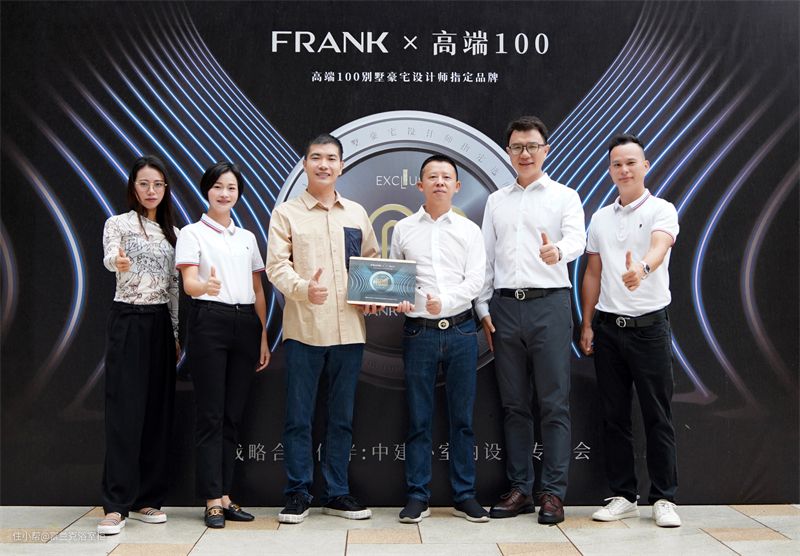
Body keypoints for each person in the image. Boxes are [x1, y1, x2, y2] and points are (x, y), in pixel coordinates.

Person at [476, 116, 585, 524]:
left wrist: (559, 251)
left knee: (553, 403)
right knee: (513, 404)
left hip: (550, 305)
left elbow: (578, 238)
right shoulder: (496, 201)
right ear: (508, 152)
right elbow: (486, 258)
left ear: (546, 150)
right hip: (504, 308)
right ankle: (521, 489)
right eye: (518, 147)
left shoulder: (565, 196)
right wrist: (483, 309)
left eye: (532, 146)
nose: (525, 153)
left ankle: (552, 493)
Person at [266, 134, 379, 524]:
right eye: (316, 157)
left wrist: (372, 294)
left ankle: (337, 493)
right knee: (299, 417)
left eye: (331, 158)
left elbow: (372, 261)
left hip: (350, 330)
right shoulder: (287, 214)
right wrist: (303, 289)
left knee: (341, 418)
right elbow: (276, 266)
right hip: (305, 329)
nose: (324, 165)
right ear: (305, 164)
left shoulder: (356, 213)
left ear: (342, 166)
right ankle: (298, 492)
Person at [580, 133, 681, 528]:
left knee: (658, 415)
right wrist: (587, 323)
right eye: (617, 164)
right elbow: (592, 273)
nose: (624, 170)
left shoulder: (662, 209)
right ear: (610, 171)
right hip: (608, 330)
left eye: (630, 162)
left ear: (645, 166)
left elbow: (660, 245)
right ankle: (623, 495)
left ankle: (664, 497)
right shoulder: (600, 218)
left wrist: (642, 268)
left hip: (650, 328)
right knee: (613, 416)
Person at [390, 154, 488, 523]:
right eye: (432, 177)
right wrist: (401, 299)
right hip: (419, 332)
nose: (440, 182)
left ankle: (465, 495)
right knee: (418, 418)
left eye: (447, 177)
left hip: (462, 330)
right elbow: (396, 278)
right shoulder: (403, 229)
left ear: (457, 186)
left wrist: (444, 302)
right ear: (420, 185)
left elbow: (476, 281)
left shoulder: (469, 230)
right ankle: (418, 495)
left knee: (462, 419)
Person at [176, 161, 270, 528]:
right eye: (218, 186)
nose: (224, 193)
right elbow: (189, 284)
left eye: (231, 188)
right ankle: (212, 499)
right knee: (211, 415)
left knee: (232, 415)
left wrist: (262, 334)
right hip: (209, 321)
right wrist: (205, 286)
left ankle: (227, 495)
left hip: (246, 324)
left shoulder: (247, 237)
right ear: (207, 190)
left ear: (238, 193)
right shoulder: (192, 233)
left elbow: (258, 289)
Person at [98, 155, 180, 535]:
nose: (151, 190)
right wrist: (117, 262)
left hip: (160, 323)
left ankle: (149, 499)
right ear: (133, 186)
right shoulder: (117, 224)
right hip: (128, 318)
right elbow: (109, 257)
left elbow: (175, 288)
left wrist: (176, 333)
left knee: (156, 413)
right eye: (144, 183)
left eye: (158, 184)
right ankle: (116, 505)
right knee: (124, 413)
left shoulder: (173, 233)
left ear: (165, 189)